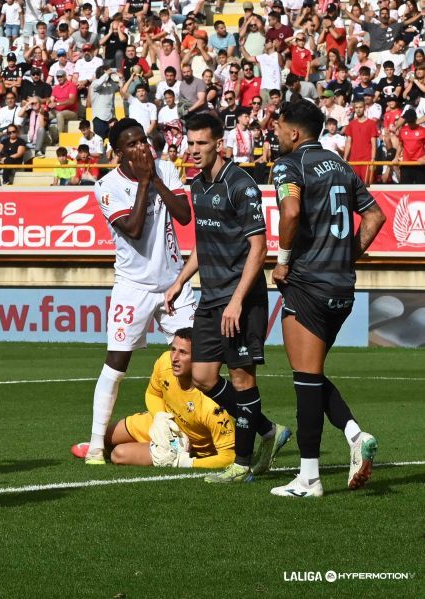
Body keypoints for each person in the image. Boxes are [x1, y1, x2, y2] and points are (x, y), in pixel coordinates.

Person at [269, 101, 386, 498]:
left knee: (305, 379)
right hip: (342, 286)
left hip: (307, 283)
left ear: (295, 132)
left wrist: (283, 262)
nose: (276, 132)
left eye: (280, 126)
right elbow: (375, 217)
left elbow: (291, 212)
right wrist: (346, 255)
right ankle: (354, 435)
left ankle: (309, 479)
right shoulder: (341, 165)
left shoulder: (290, 165)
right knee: (312, 373)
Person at [167, 113, 287, 484]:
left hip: (242, 299)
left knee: (241, 378)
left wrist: (237, 300)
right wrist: (179, 281)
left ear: (219, 144)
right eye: (190, 143)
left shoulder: (241, 184)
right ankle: (268, 430)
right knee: (202, 376)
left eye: (201, 144)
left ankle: (241, 462)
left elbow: (259, 248)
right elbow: (204, 245)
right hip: (211, 297)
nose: (194, 150)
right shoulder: (197, 185)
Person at [82, 118, 194, 465]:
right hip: (132, 286)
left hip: (174, 283)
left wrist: (155, 178)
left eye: (142, 140)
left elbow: (184, 215)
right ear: (118, 153)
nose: (141, 147)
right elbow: (132, 228)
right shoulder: (106, 187)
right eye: (131, 144)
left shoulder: (164, 168)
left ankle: (198, 434)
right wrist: (145, 182)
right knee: (117, 364)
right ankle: (96, 446)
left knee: (195, 360)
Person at [73, 328, 237, 469]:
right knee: (106, 435)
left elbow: (228, 457)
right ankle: (139, 445)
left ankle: (158, 450)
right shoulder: (165, 361)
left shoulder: (214, 407)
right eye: (174, 349)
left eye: (183, 353)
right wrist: (160, 417)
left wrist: (187, 463)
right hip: (165, 420)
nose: (175, 358)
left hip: (185, 445)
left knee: (119, 454)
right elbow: (153, 393)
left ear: (199, 358)